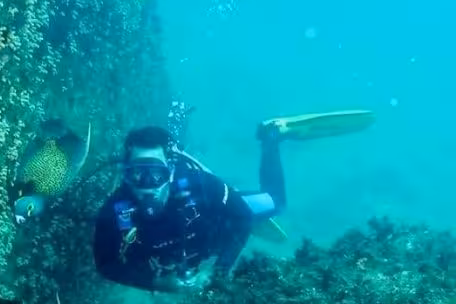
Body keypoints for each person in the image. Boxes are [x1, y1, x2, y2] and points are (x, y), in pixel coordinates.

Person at [92, 107, 374, 292]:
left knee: (276, 204)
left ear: (171, 171)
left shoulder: (199, 185)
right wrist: (162, 283)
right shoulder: (117, 212)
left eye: (156, 174)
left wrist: (220, 273)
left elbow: (242, 216)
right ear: (125, 176)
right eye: (137, 175)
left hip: (219, 216)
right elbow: (106, 265)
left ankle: (273, 137)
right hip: (192, 248)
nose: (148, 187)